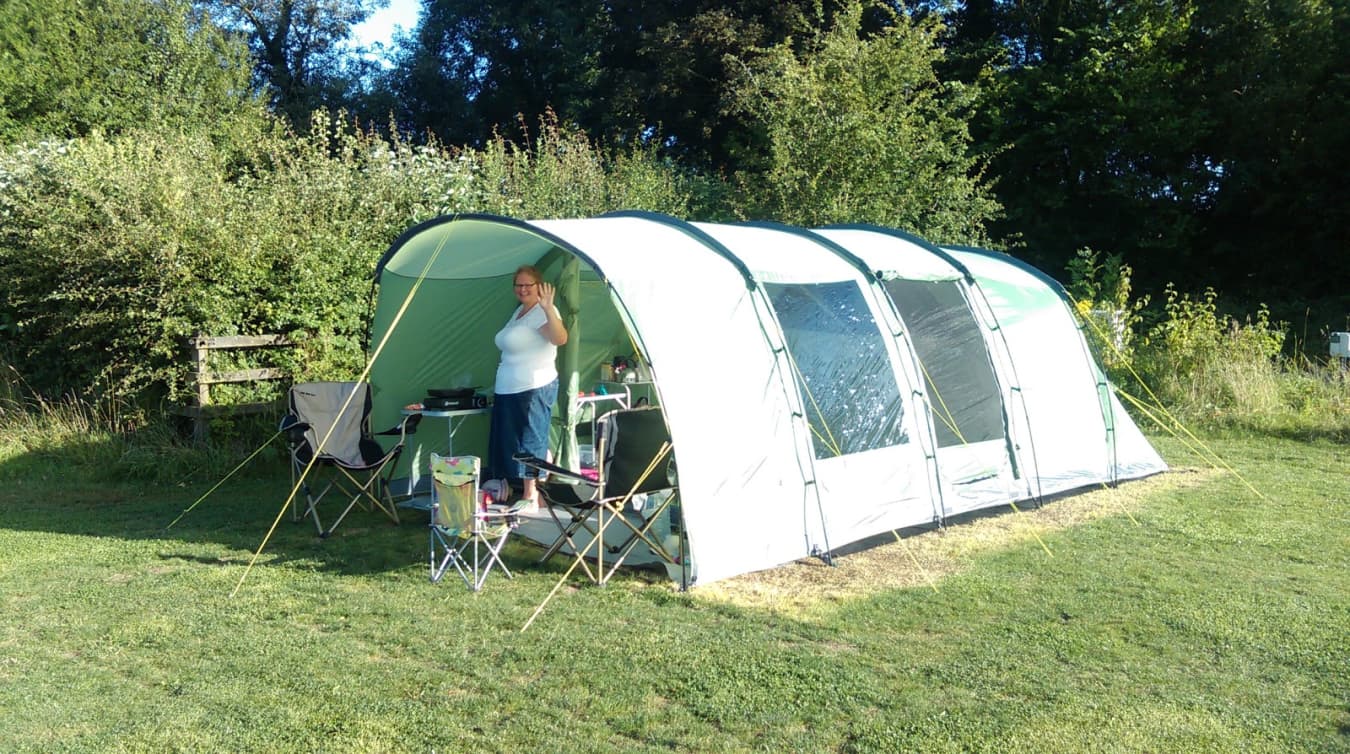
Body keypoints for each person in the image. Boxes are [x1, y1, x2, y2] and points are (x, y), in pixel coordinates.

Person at [487, 265, 568, 513]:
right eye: (518, 285)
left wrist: (549, 309)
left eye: (527, 285)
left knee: (530, 440)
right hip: (508, 388)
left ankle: (532, 495)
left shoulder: (543, 311)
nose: (522, 289)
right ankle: (535, 486)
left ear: (538, 286)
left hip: (534, 385)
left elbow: (560, 338)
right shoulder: (519, 312)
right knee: (513, 442)